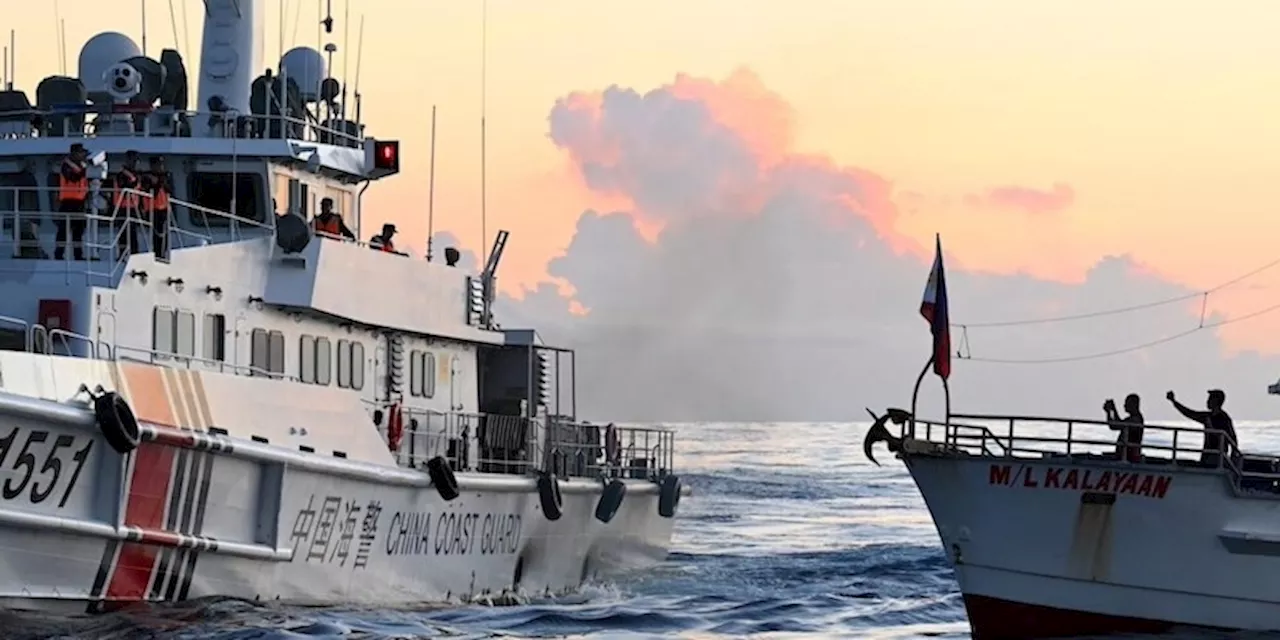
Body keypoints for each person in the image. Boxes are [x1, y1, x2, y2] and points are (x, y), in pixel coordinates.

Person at [1167, 389, 1237, 467]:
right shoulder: (1207, 416)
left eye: (1210, 398)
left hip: (1217, 458)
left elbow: (1232, 439)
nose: (1207, 401)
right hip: (1206, 456)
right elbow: (1190, 413)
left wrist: (1232, 459)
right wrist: (1174, 402)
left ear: (1216, 401)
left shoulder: (1224, 418)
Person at [54, 142, 89, 260]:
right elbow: (73, 178)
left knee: (78, 232)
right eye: (80, 153)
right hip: (68, 203)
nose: (82, 155)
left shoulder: (82, 166)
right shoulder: (66, 166)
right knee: (63, 231)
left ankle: (78, 255)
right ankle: (58, 254)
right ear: (74, 153)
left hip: (79, 203)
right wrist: (84, 170)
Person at [141, 156, 172, 261]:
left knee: (164, 234)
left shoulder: (164, 177)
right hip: (153, 210)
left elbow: (169, 190)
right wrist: (159, 182)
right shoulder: (147, 178)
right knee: (157, 235)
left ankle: (163, 253)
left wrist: (164, 180)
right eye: (158, 164)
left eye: (161, 164)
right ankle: (157, 254)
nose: (161, 167)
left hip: (163, 209)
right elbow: (152, 191)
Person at [111, 151, 142, 256]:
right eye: (133, 160)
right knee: (124, 234)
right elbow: (125, 187)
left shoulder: (136, 175)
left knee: (133, 235)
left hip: (133, 208)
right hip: (123, 208)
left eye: (136, 160)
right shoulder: (121, 175)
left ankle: (134, 254)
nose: (135, 163)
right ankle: (122, 255)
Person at [1103, 394, 1144, 463]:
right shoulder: (1132, 418)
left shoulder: (1135, 420)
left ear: (1134, 404)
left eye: (1127, 403)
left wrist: (1109, 412)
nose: (1124, 405)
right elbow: (1118, 423)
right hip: (1124, 455)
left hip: (1129, 457)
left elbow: (1115, 426)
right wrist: (1113, 410)